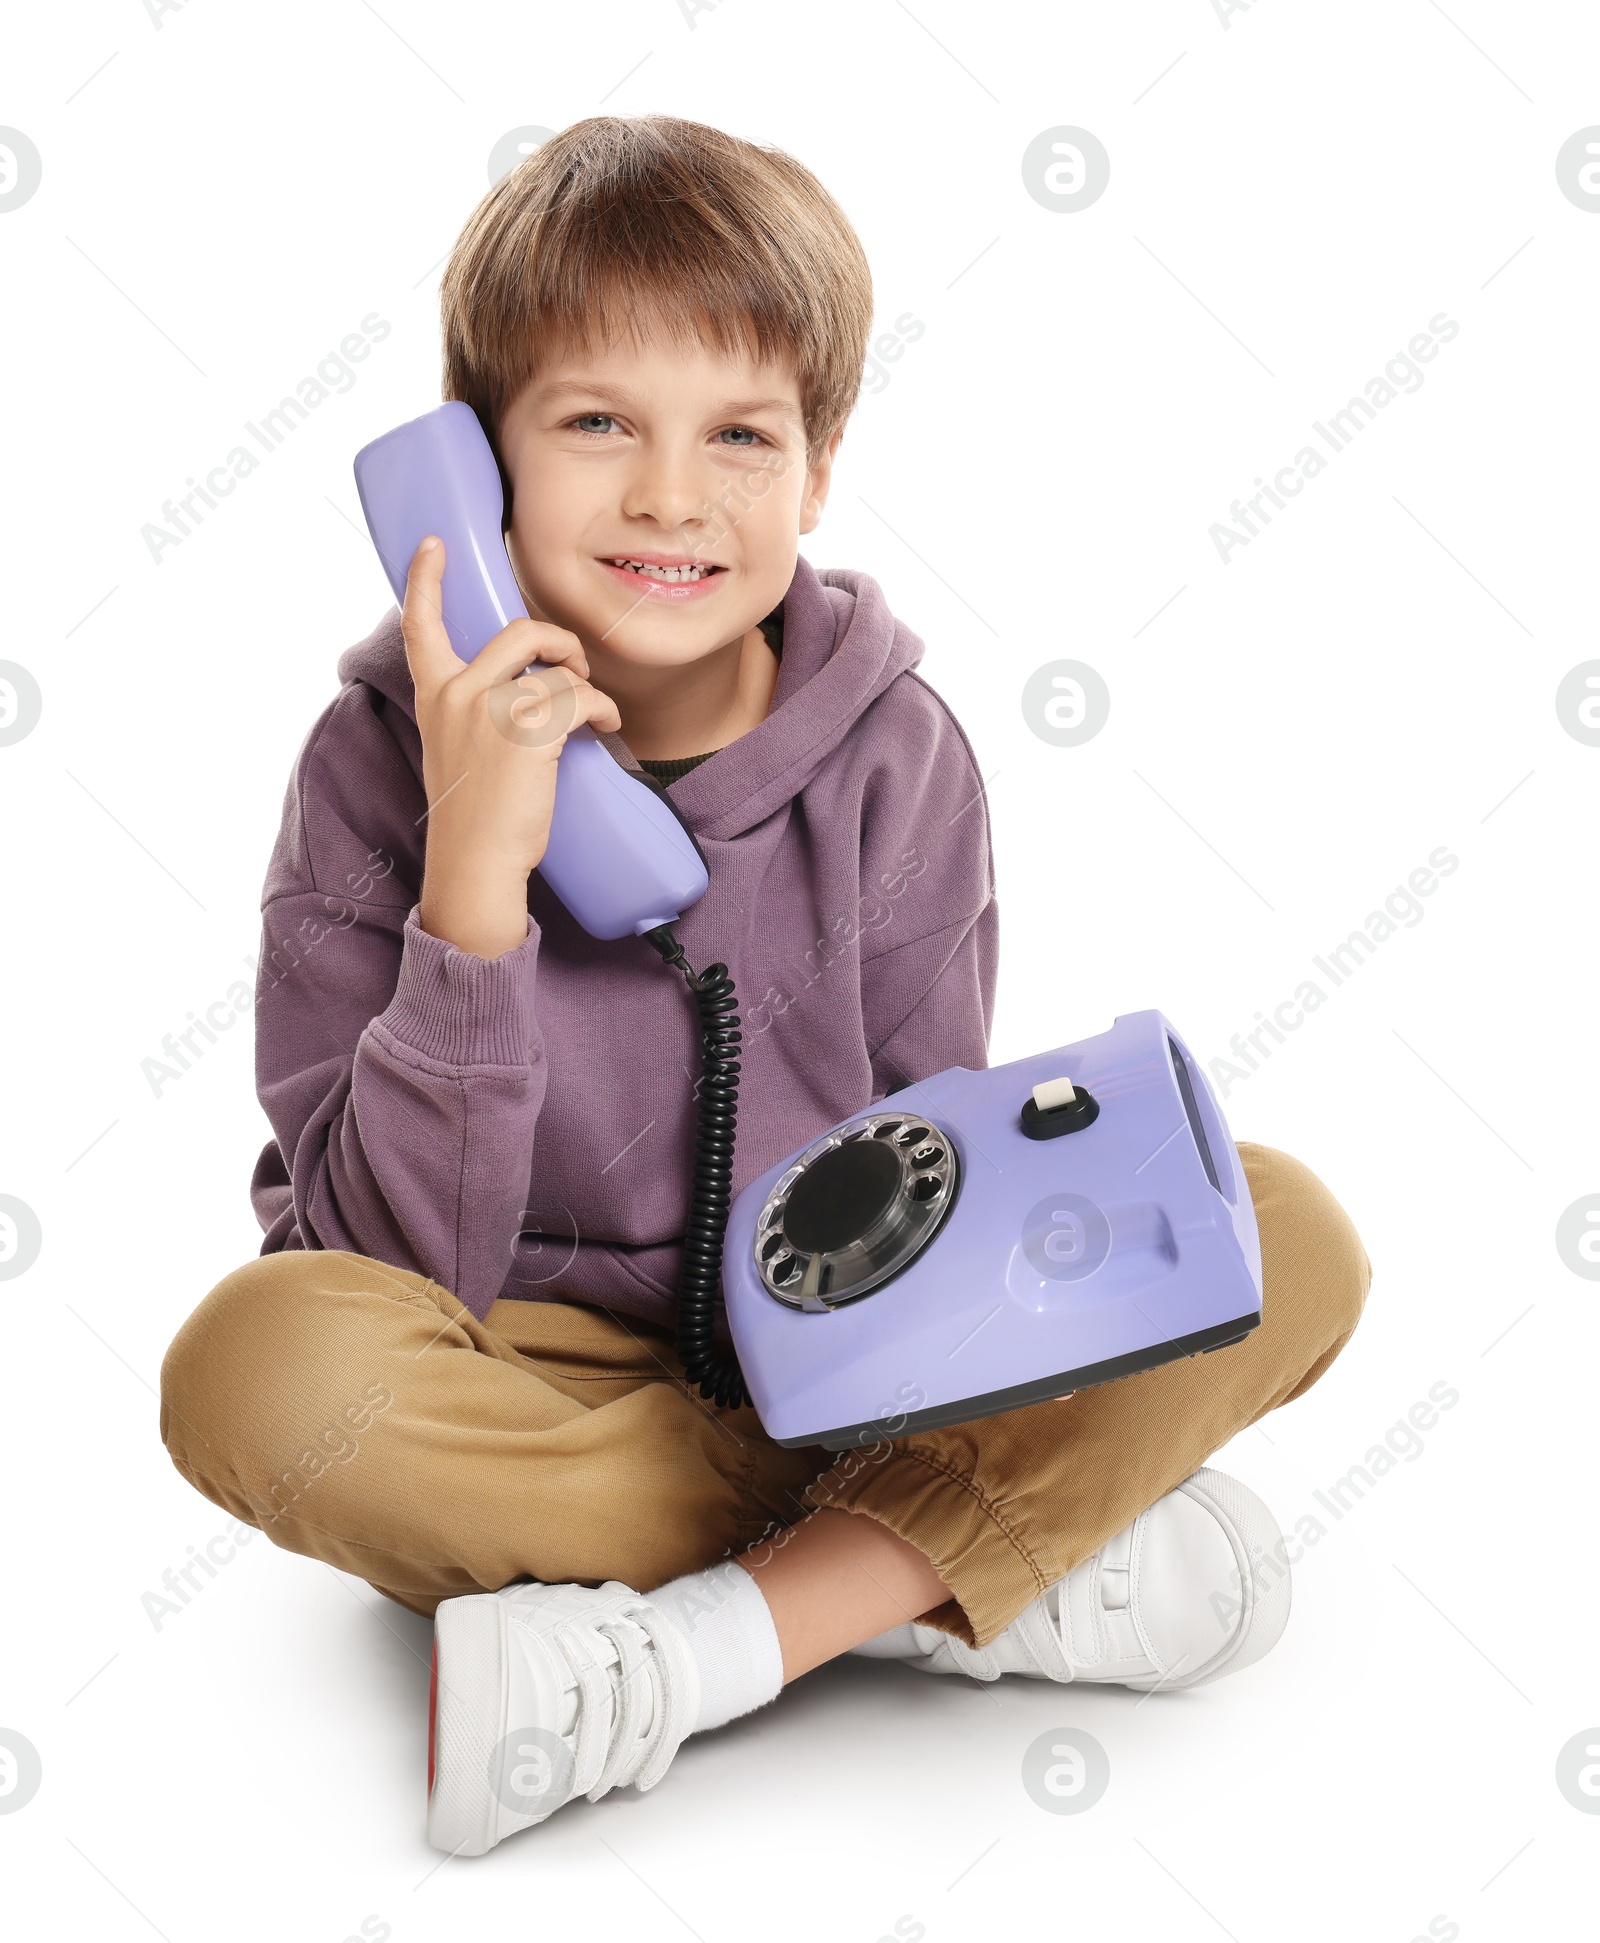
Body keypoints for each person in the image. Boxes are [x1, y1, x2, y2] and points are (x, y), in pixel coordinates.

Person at [158, 114, 1372, 1858]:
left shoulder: (897, 761)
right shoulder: (369, 766)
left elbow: (920, 1181)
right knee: (252, 1365)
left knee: (1276, 1226)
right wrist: (476, 887)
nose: (670, 496)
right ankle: (943, 1569)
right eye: (595, 425)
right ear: (469, 474)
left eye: (740, 434)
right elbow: (375, 1262)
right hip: (532, 1363)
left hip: (838, 1358)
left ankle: (699, 1650)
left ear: (817, 473)